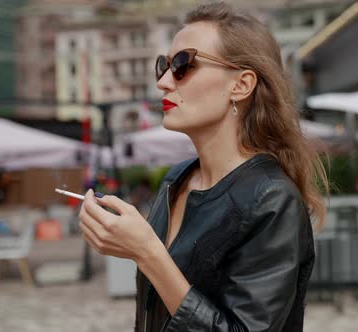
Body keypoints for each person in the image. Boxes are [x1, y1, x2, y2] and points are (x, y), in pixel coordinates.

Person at [78, 2, 329, 332]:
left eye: (183, 65)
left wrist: (149, 253)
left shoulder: (270, 198)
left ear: (241, 85)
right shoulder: (176, 179)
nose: (164, 82)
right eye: (163, 66)